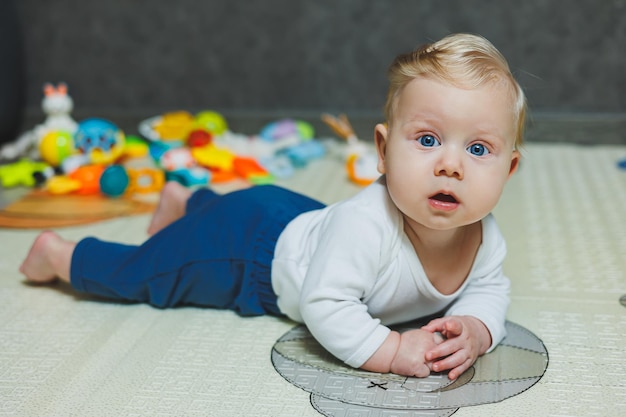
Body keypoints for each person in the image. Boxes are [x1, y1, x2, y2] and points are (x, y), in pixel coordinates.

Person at [19, 33, 525, 380]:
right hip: (250, 255)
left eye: (478, 149)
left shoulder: (484, 237)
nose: (451, 165)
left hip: (295, 220)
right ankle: (58, 255)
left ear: (509, 169)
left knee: (231, 215)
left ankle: (186, 203)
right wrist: (391, 351)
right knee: (147, 275)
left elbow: (489, 292)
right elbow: (324, 305)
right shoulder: (364, 227)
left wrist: (477, 331)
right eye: (428, 139)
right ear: (382, 150)